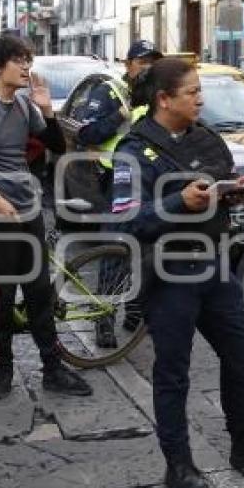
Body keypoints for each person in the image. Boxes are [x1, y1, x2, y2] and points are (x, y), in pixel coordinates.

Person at [111, 58, 244, 488]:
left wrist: (233, 192)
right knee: (173, 373)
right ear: (164, 99)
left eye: (200, 91)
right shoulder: (132, 151)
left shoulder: (209, 140)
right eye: (191, 92)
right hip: (169, 275)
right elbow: (122, 223)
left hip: (216, 268)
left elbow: (222, 187)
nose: (200, 98)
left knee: (242, 354)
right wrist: (179, 203)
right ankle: (179, 465)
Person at [0, 35, 93, 399]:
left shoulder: (25, 105)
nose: (28, 67)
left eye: (29, 59)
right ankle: (3, 369)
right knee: (3, 295)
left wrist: (47, 111)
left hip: (28, 209)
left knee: (39, 291)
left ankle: (53, 368)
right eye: (20, 60)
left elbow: (58, 147)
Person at [74, 39, 162, 347]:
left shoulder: (156, 92)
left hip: (152, 180)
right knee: (116, 250)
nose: (148, 67)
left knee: (147, 250)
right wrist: (119, 117)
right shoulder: (110, 92)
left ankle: (136, 313)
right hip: (117, 180)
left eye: (153, 61)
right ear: (128, 64)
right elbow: (85, 133)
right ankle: (104, 320)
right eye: (142, 61)